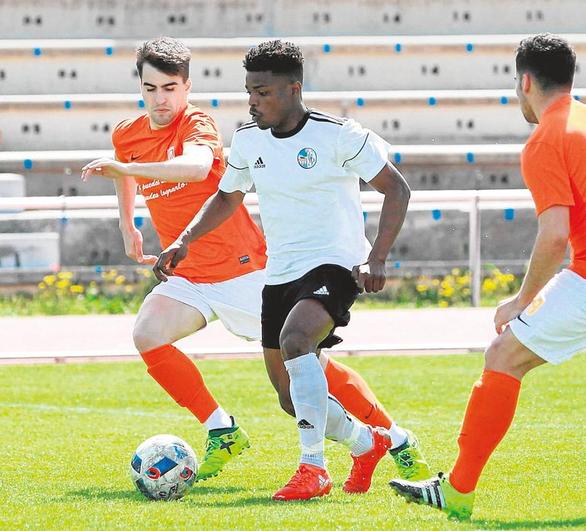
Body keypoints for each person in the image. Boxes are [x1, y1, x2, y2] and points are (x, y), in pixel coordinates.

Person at [80, 36, 423, 487]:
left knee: (305, 361)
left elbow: (198, 168)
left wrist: (127, 171)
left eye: (169, 88)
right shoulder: (131, 134)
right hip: (191, 275)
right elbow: (137, 169)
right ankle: (223, 429)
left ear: (186, 87)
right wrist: (130, 225)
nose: (160, 98)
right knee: (150, 335)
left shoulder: (198, 125)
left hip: (245, 270)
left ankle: (390, 440)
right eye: (150, 89)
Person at [389, 33, 586, 520]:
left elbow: (554, 234)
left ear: (524, 81)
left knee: (503, 354)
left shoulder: (546, 138)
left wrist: (522, 300)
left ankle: (457, 490)